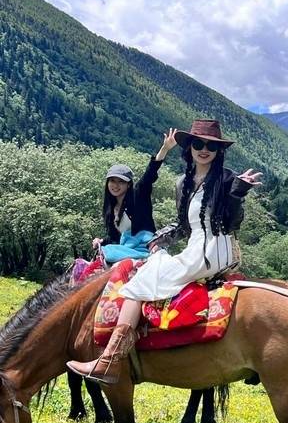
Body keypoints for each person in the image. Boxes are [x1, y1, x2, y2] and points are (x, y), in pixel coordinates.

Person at [68, 119, 262, 385]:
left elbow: (231, 224)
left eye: (211, 146)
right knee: (151, 267)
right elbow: (184, 225)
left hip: (213, 250)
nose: (204, 149)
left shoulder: (227, 179)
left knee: (138, 285)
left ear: (219, 151)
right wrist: (160, 239)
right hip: (197, 248)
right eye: (198, 144)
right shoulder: (183, 183)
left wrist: (238, 193)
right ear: (189, 148)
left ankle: (109, 360)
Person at [67, 131, 178, 422]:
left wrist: (164, 150)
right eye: (112, 181)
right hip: (122, 246)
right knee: (84, 267)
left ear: (128, 184)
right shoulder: (110, 207)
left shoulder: (138, 197)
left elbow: (150, 177)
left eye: (120, 181)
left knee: (115, 265)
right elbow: (113, 236)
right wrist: (101, 242)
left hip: (141, 247)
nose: (115, 185)